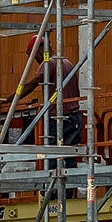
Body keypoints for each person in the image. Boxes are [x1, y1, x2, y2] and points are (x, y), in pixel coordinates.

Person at [22, 35, 84, 167]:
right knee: (69, 158)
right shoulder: (67, 62)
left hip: (58, 119)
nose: (36, 61)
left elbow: (31, 85)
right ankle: (68, 188)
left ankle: (52, 187)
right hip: (74, 118)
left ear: (38, 51)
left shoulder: (49, 63)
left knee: (51, 158)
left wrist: (11, 98)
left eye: (34, 57)